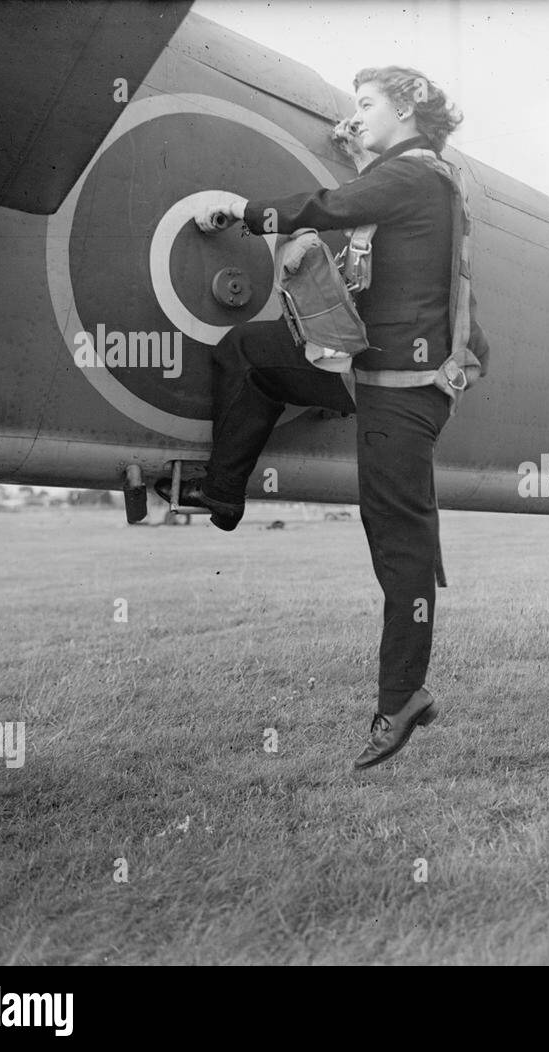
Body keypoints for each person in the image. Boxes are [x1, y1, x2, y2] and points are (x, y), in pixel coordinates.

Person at [158, 67, 488, 771]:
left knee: (395, 538)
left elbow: (329, 206)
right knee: (249, 348)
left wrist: (240, 210)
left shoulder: (418, 177)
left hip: (402, 389)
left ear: (406, 110)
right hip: (368, 369)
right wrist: (357, 142)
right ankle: (223, 495)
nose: (355, 114)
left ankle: (404, 696)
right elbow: (365, 191)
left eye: (368, 104)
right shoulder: (413, 176)